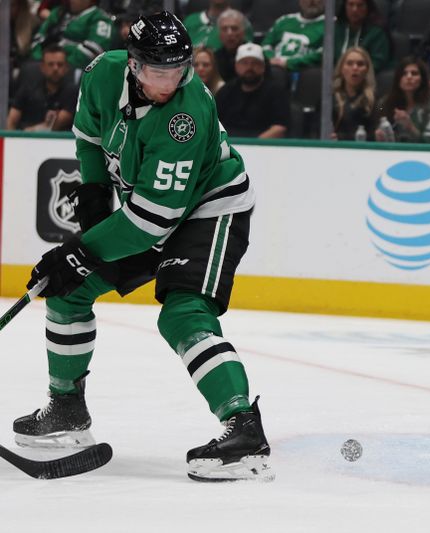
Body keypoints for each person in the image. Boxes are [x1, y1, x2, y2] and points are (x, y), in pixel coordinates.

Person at [13, 11, 271, 482]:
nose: (170, 81)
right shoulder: (101, 73)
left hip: (209, 210)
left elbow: (153, 223)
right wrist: (94, 197)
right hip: (146, 210)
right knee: (67, 291)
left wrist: (80, 248)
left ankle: (244, 431)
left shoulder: (185, 118)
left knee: (182, 313)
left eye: (180, 69)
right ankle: (67, 408)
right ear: (132, 65)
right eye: (158, 71)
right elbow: (89, 138)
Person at [216, 43, 290, 138]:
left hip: (263, 145)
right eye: (244, 63)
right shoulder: (226, 91)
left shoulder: (276, 92)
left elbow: (279, 128)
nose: (249, 68)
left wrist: (255, 144)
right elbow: (215, 123)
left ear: (263, 67)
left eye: (255, 63)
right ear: (236, 66)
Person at [6, 44, 78, 131]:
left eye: (60, 64)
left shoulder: (73, 92)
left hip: (59, 142)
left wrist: (26, 133)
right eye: (51, 64)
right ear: (42, 67)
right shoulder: (27, 88)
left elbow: (53, 126)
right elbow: (11, 121)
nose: (55, 68)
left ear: (66, 67)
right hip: (25, 142)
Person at [30, 0, 113, 70]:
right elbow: (38, 38)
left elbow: (93, 51)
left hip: (76, 69)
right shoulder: (58, 12)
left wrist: (62, 63)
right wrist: (41, 59)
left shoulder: (100, 18)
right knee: (29, 68)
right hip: (45, 63)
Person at [377, 57, 430, 143]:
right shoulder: (385, 103)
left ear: (422, 79)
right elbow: (378, 118)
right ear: (398, 79)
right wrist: (379, 137)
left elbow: (429, 142)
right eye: (404, 74)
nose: (409, 77)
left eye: (414, 73)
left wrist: (410, 126)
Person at [263, 0, 325, 73]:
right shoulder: (284, 20)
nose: (311, 1)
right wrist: (271, 58)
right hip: (274, 67)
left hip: (304, 71)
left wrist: (289, 63)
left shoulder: (331, 24)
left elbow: (323, 53)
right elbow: (265, 45)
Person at [332, 46, 379, 140]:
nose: (355, 68)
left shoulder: (375, 101)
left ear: (367, 70)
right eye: (349, 63)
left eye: (360, 64)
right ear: (341, 68)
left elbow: (374, 134)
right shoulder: (329, 100)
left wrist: (341, 137)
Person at [333, 0, 390, 73]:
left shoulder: (377, 31)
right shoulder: (336, 28)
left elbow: (378, 62)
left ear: (367, 7)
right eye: (351, 4)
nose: (354, 9)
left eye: (360, 5)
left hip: (366, 77)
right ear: (345, 6)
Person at [213, 8, 250, 82]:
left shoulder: (253, 55)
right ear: (219, 34)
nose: (229, 33)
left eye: (234, 28)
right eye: (224, 29)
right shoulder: (215, 58)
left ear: (243, 32)